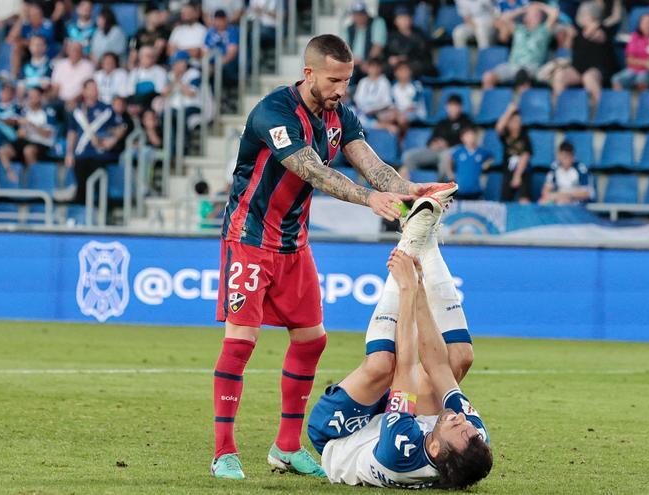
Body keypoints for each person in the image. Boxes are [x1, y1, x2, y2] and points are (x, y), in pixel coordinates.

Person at [209, 34, 447, 481]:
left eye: (347, 80)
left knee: (311, 340)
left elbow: (370, 164)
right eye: (334, 80)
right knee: (240, 342)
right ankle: (224, 451)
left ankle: (287, 447)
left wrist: (408, 190)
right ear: (309, 74)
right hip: (249, 237)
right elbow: (312, 170)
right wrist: (368, 199)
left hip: (293, 243)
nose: (341, 89)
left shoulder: (339, 115)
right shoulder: (273, 113)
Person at [307, 195, 492, 489]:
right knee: (460, 358)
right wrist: (419, 289)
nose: (463, 421)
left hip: (340, 432)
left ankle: (411, 237)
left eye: (460, 430)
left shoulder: (400, 450)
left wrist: (407, 286)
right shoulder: (472, 440)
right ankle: (426, 235)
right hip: (393, 422)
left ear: (433, 450)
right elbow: (439, 367)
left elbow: (404, 369)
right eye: (471, 430)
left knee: (384, 364)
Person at [64, 79, 128, 204]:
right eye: (91, 88)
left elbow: (121, 127)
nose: (95, 90)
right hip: (81, 154)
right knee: (81, 188)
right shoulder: (77, 111)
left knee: (99, 186)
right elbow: (72, 132)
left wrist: (112, 140)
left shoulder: (107, 109)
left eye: (96, 88)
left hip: (100, 154)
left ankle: (101, 214)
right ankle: (80, 216)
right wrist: (69, 152)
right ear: (84, 91)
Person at [481, 3, 559, 90]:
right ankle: (490, 101)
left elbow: (554, 13)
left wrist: (539, 6)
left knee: (522, 75)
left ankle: (522, 102)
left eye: (537, 14)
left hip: (532, 68)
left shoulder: (544, 30)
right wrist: (522, 9)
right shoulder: (518, 29)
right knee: (488, 77)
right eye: (531, 14)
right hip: (512, 66)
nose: (534, 16)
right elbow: (503, 18)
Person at [400, 94, 472, 180]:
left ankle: (440, 186)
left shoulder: (466, 121)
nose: (453, 108)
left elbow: (467, 142)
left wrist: (447, 144)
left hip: (451, 152)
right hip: (436, 151)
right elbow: (431, 139)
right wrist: (433, 144)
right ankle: (415, 182)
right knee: (408, 156)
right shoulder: (442, 122)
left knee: (446, 156)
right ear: (446, 107)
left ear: (461, 107)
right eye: (451, 105)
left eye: (456, 106)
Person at [611, 12, 649, 91]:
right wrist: (645, 63)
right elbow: (629, 60)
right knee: (616, 79)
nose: (647, 25)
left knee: (642, 78)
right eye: (644, 23)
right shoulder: (635, 37)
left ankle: (644, 101)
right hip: (634, 70)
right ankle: (622, 101)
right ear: (640, 25)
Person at [495, 102, 532, 203]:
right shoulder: (506, 135)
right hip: (508, 172)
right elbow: (498, 128)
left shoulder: (525, 136)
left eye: (518, 121)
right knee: (505, 202)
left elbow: (525, 155)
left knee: (524, 201)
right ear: (508, 123)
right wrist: (509, 111)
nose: (517, 124)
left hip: (523, 172)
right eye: (514, 121)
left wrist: (517, 175)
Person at [7, 3, 55, 79]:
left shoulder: (47, 24)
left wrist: (22, 42)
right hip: (30, 52)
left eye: (37, 14)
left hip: (45, 52)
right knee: (16, 47)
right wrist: (21, 19)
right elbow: (10, 39)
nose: (36, 16)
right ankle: (14, 75)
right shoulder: (27, 25)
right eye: (32, 15)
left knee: (32, 45)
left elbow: (40, 41)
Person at [16, 87, 58, 170]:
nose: (32, 99)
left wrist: (31, 124)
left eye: (35, 96)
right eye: (30, 97)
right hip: (27, 141)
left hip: (44, 143)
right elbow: (20, 133)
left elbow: (47, 134)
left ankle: (35, 177)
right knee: (5, 150)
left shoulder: (48, 112)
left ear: (41, 97)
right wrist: (21, 133)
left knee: (28, 150)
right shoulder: (24, 112)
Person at [540, 140, 594, 205]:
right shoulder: (554, 167)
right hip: (559, 198)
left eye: (568, 156)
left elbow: (586, 193)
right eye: (563, 156)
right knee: (542, 202)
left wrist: (565, 195)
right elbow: (546, 190)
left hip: (576, 201)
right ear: (558, 155)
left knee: (563, 202)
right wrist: (552, 196)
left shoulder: (580, 168)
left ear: (573, 156)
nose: (565, 160)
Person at [385, 8, 433, 79]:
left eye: (406, 17)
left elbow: (424, 55)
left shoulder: (419, 34)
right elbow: (386, 53)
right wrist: (391, 59)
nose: (404, 21)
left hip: (414, 63)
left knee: (413, 67)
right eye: (401, 18)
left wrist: (406, 58)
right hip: (397, 65)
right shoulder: (391, 36)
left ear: (411, 19)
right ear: (395, 21)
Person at [342, 2, 386, 76]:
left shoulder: (377, 22)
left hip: (371, 63)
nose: (359, 17)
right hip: (353, 63)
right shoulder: (348, 29)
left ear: (366, 14)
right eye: (356, 14)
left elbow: (378, 46)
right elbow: (343, 49)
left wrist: (368, 62)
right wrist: (352, 61)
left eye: (361, 14)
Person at [448, 125, 492, 199]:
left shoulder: (481, 152)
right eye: (467, 136)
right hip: (460, 191)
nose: (470, 138)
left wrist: (487, 164)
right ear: (462, 138)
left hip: (476, 191)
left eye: (472, 135)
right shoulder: (459, 151)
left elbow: (492, 157)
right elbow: (449, 158)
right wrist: (450, 173)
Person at [352, 57, 395, 131]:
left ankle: (383, 126)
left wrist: (374, 110)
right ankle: (380, 126)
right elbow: (357, 100)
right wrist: (364, 110)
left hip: (378, 111)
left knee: (389, 115)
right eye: (372, 67)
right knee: (350, 112)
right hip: (363, 111)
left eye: (377, 67)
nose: (374, 69)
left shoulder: (384, 82)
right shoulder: (363, 81)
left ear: (380, 68)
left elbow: (387, 102)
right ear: (368, 68)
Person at [50, 41, 96, 106]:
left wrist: (74, 100)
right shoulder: (60, 64)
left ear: (82, 52)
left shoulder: (88, 66)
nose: (75, 52)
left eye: (77, 50)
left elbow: (87, 88)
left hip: (79, 101)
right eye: (72, 50)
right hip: (60, 100)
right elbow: (55, 86)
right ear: (67, 51)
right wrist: (50, 97)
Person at [203, 9, 239, 83]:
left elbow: (231, 54)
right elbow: (204, 50)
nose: (217, 23)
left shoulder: (232, 31)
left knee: (221, 70)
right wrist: (207, 64)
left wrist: (217, 64)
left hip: (227, 63)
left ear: (225, 20)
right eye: (216, 20)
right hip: (211, 62)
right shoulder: (210, 31)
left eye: (220, 21)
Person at [390, 62, 427, 133]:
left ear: (410, 72)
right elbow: (392, 104)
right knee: (384, 117)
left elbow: (413, 106)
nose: (403, 73)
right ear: (395, 73)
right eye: (400, 70)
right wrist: (396, 112)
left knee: (402, 119)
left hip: (416, 113)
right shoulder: (393, 86)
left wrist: (399, 113)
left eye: (405, 70)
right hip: (399, 112)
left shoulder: (416, 85)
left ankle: (402, 140)